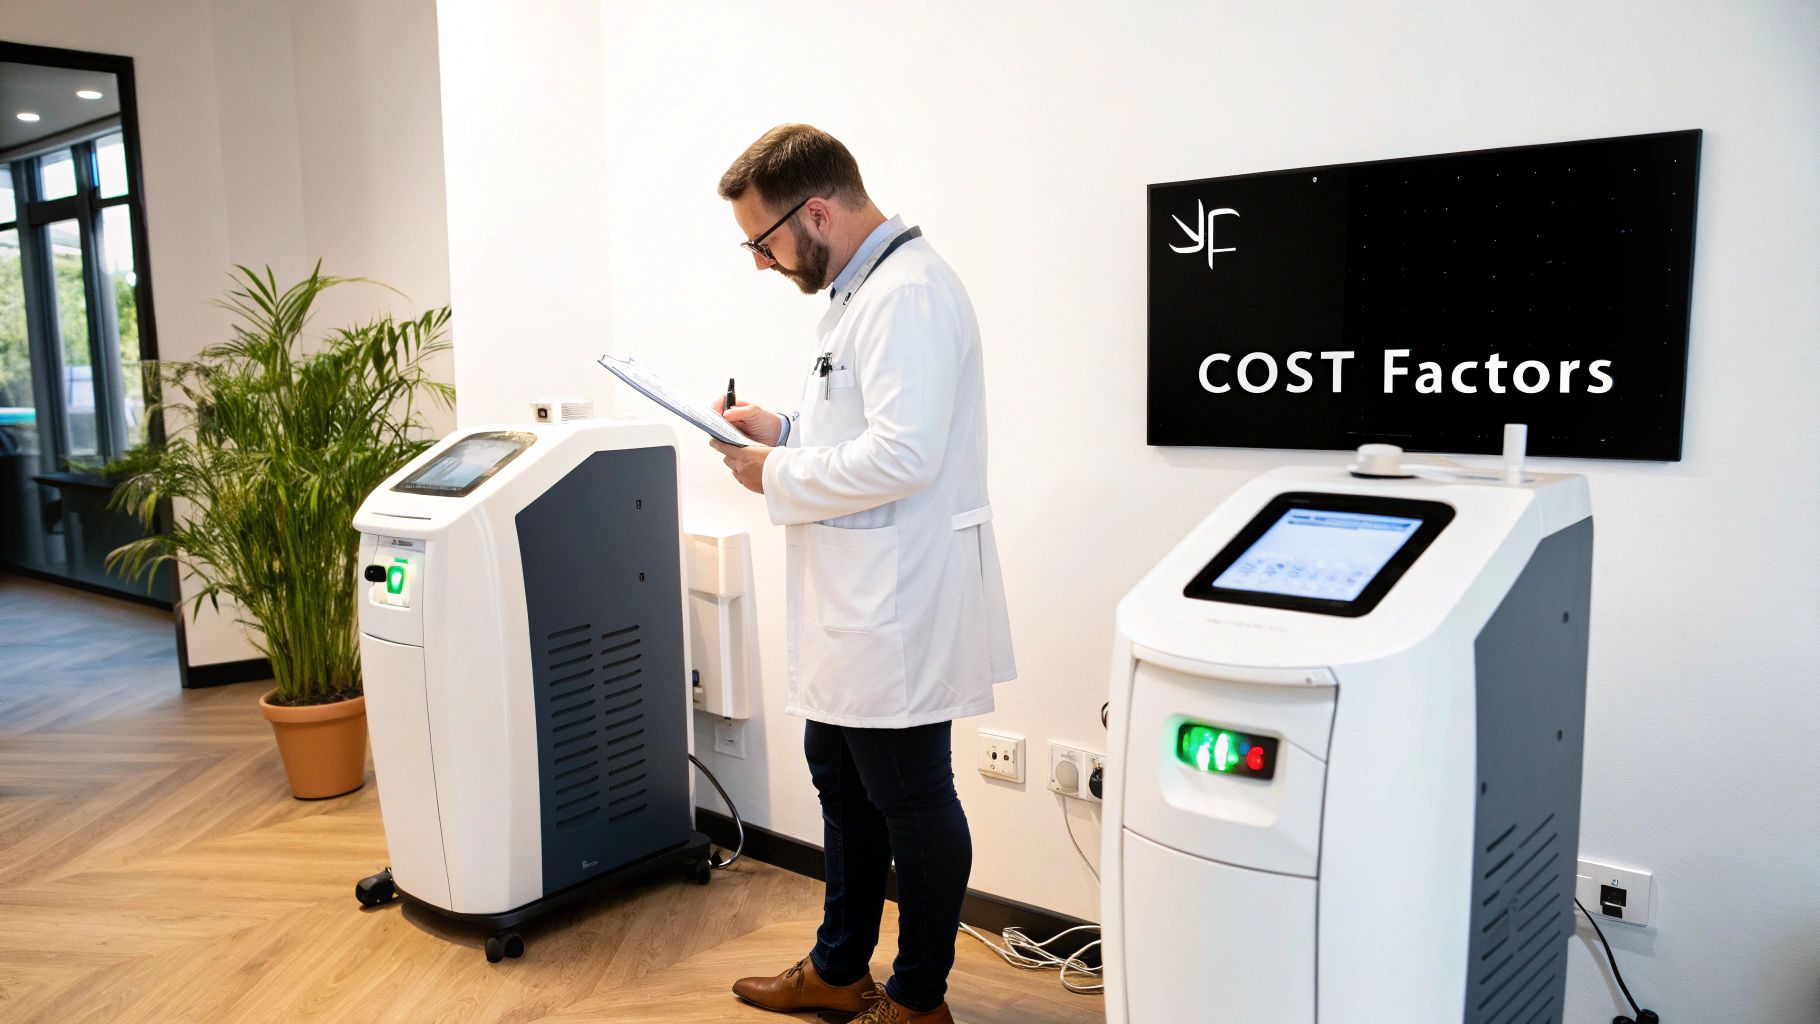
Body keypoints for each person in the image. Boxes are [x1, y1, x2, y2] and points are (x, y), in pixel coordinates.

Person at [708, 124, 1016, 1024]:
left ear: (816, 211)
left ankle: (919, 1001)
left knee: (912, 798)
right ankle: (840, 968)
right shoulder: (859, 295)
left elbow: (906, 457)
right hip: (858, 593)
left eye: (762, 242)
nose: (761, 264)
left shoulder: (908, 294)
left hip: (899, 600)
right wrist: (783, 434)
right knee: (840, 775)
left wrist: (778, 473)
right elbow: (859, 433)